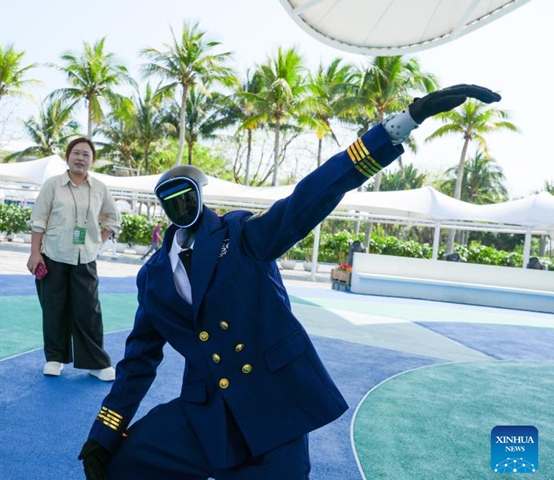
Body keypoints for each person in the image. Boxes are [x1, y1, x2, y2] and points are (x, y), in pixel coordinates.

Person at [79, 85, 502, 480]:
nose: (181, 206)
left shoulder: (241, 236)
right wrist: (105, 430)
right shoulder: (152, 277)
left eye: (187, 195)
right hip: (204, 413)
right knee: (118, 464)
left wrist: (402, 123)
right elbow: (139, 360)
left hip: (272, 408)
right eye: (171, 201)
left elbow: (312, 195)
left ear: (201, 195)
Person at [27, 137, 121, 381]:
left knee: (89, 311)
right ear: (68, 156)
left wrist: (96, 243)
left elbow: (112, 219)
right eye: (76, 153)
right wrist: (35, 252)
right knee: (53, 308)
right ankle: (55, 358)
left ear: (92, 160)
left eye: (86, 155)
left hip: (85, 258)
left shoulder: (99, 188)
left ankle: (96, 363)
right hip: (53, 255)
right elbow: (38, 220)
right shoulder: (53, 185)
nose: (80, 158)